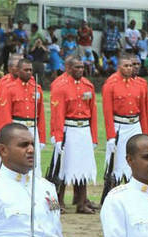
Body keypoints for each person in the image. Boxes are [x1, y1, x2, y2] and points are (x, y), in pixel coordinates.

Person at [50, 57, 98, 214]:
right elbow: (57, 114)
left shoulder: (87, 86)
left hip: (83, 129)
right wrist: (57, 136)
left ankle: (82, 202)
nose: (80, 70)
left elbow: (93, 113)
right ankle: (59, 200)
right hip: (68, 129)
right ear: (68, 68)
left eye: (82, 67)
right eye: (77, 67)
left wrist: (94, 136)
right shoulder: (60, 86)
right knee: (64, 166)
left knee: (83, 166)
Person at [101, 53, 148, 194]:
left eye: (132, 66)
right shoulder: (110, 84)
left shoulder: (139, 85)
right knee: (116, 164)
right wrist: (111, 136)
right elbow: (107, 112)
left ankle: (134, 191)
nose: (130, 68)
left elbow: (144, 112)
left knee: (136, 160)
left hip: (135, 125)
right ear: (119, 67)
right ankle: (112, 194)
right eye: (126, 66)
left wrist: (146, 134)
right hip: (119, 126)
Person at [0, 59, 46, 175]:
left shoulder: (37, 88)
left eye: (30, 70)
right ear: (18, 71)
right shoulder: (9, 88)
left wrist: (42, 137)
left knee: (33, 164)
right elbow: (5, 113)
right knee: (15, 160)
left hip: (32, 129)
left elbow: (41, 115)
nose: (29, 72)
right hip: (17, 127)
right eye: (26, 70)